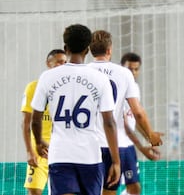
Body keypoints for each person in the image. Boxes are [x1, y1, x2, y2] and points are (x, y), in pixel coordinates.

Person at [31, 24, 121, 195]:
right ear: (88, 49)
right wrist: (116, 161)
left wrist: (38, 141)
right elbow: (109, 122)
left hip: (60, 154)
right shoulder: (101, 79)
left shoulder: (47, 77)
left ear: (66, 48)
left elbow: (35, 118)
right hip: (90, 156)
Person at [88, 30, 163, 195]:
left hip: (87, 144)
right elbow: (138, 113)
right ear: (110, 50)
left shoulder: (83, 72)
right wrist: (151, 137)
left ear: (90, 49)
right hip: (114, 145)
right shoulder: (123, 74)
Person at [21, 49, 66, 195]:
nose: (62, 65)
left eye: (65, 62)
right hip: (40, 151)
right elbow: (26, 123)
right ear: (48, 63)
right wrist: (29, 151)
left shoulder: (69, 89)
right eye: (59, 61)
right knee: (34, 191)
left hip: (62, 149)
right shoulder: (33, 87)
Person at [119, 52, 161, 195]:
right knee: (108, 188)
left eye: (136, 69)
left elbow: (134, 119)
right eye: (130, 69)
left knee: (134, 188)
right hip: (114, 144)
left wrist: (149, 137)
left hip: (127, 145)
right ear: (122, 68)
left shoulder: (135, 88)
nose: (133, 72)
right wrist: (142, 147)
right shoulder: (118, 89)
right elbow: (123, 123)